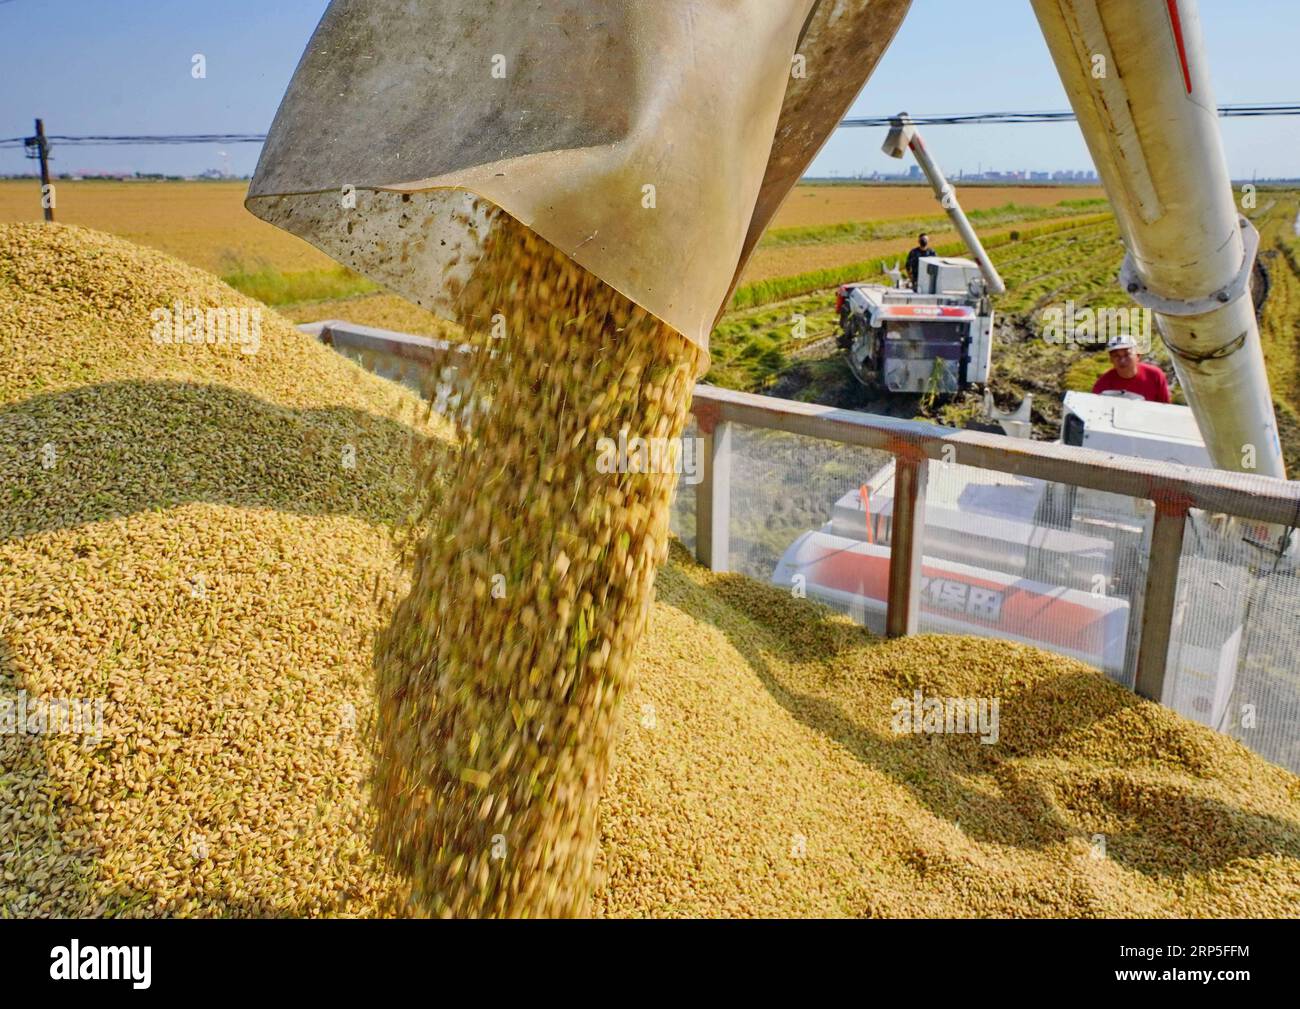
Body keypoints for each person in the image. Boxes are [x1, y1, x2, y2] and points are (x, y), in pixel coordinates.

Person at [1091, 336, 1171, 403]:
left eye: (1127, 354)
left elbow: (1165, 408)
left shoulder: (1155, 376)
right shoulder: (1102, 384)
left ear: (1138, 356)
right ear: (1111, 359)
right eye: (1116, 356)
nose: (1122, 360)